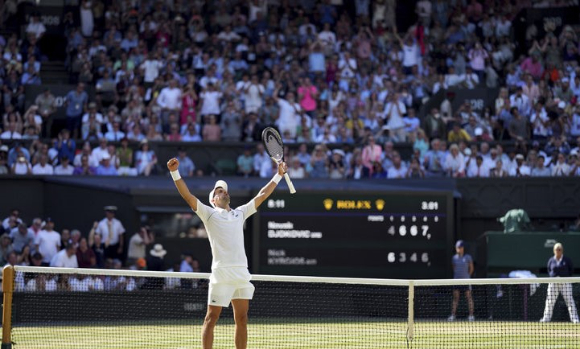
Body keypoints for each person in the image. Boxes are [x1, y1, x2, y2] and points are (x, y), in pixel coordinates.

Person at [167, 156, 287, 349]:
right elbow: (188, 196)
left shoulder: (240, 212)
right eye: (219, 191)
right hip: (221, 273)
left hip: (241, 273)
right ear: (214, 199)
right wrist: (175, 172)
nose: (223, 192)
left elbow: (262, 195)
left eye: (224, 190)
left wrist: (278, 175)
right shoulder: (209, 213)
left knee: (242, 318)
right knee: (210, 318)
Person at [540, 243, 579, 323]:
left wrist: (565, 277)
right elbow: (549, 270)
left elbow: (571, 270)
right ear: (554, 251)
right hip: (553, 283)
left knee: (570, 301)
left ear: (562, 250)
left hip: (565, 283)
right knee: (550, 301)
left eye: (559, 249)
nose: (558, 251)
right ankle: (546, 319)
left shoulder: (567, 260)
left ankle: (575, 319)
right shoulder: (551, 260)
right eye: (556, 249)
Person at [448, 240, 475, 322]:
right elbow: (454, 268)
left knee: (469, 298)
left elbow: (471, 268)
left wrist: (467, 276)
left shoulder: (468, 257)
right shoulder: (454, 258)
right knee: (455, 298)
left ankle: (471, 316)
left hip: (466, 281)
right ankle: (453, 315)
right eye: (457, 247)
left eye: (460, 247)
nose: (458, 249)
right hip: (456, 281)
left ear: (463, 248)